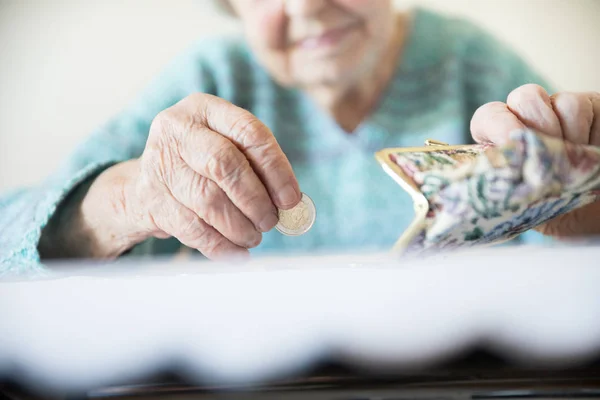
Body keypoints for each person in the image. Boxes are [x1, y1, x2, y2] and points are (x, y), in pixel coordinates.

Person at [1, 0, 598, 275]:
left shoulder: (472, 62)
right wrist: (128, 201)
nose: (308, 6)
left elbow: (565, 260)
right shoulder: (212, 79)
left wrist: (584, 215)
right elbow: (11, 244)